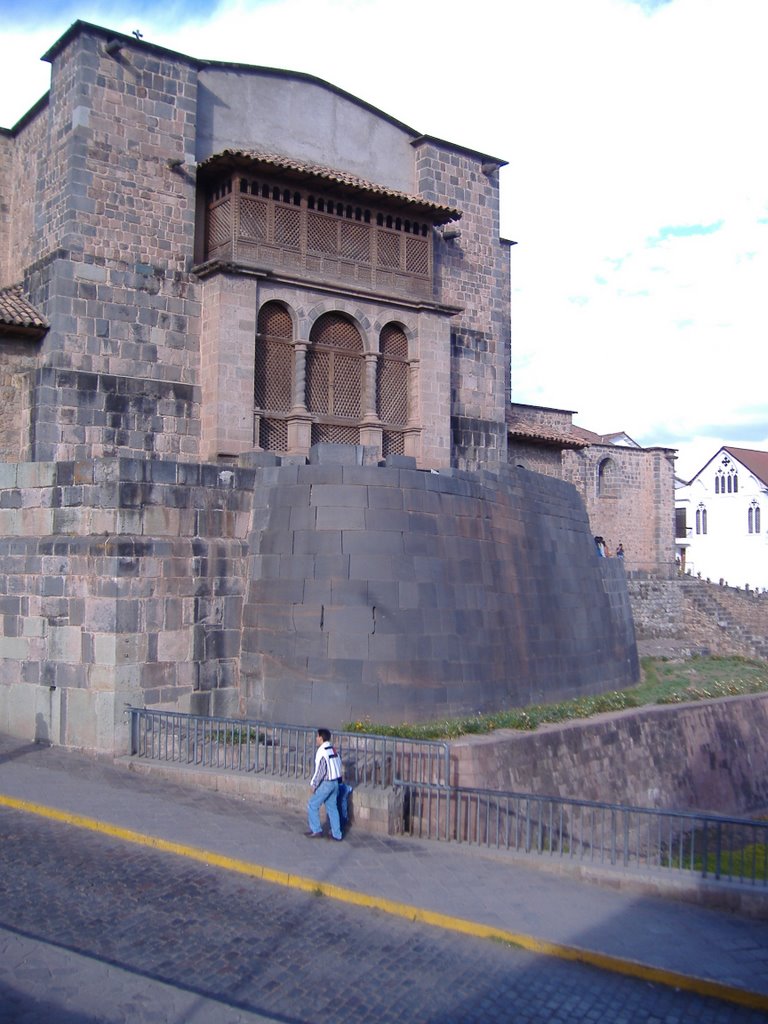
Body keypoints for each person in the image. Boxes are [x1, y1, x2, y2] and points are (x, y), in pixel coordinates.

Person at [306, 728, 343, 841]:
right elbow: (338, 763)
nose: (316, 739)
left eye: (317, 737)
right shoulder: (333, 749)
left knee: (312, 804)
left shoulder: (322, 751)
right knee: (332, 808)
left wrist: (314, 785)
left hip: (326, 783)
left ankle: (316, 830)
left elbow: (321, 770)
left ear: (321, 738)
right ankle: (337, 834)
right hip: (335, 782)